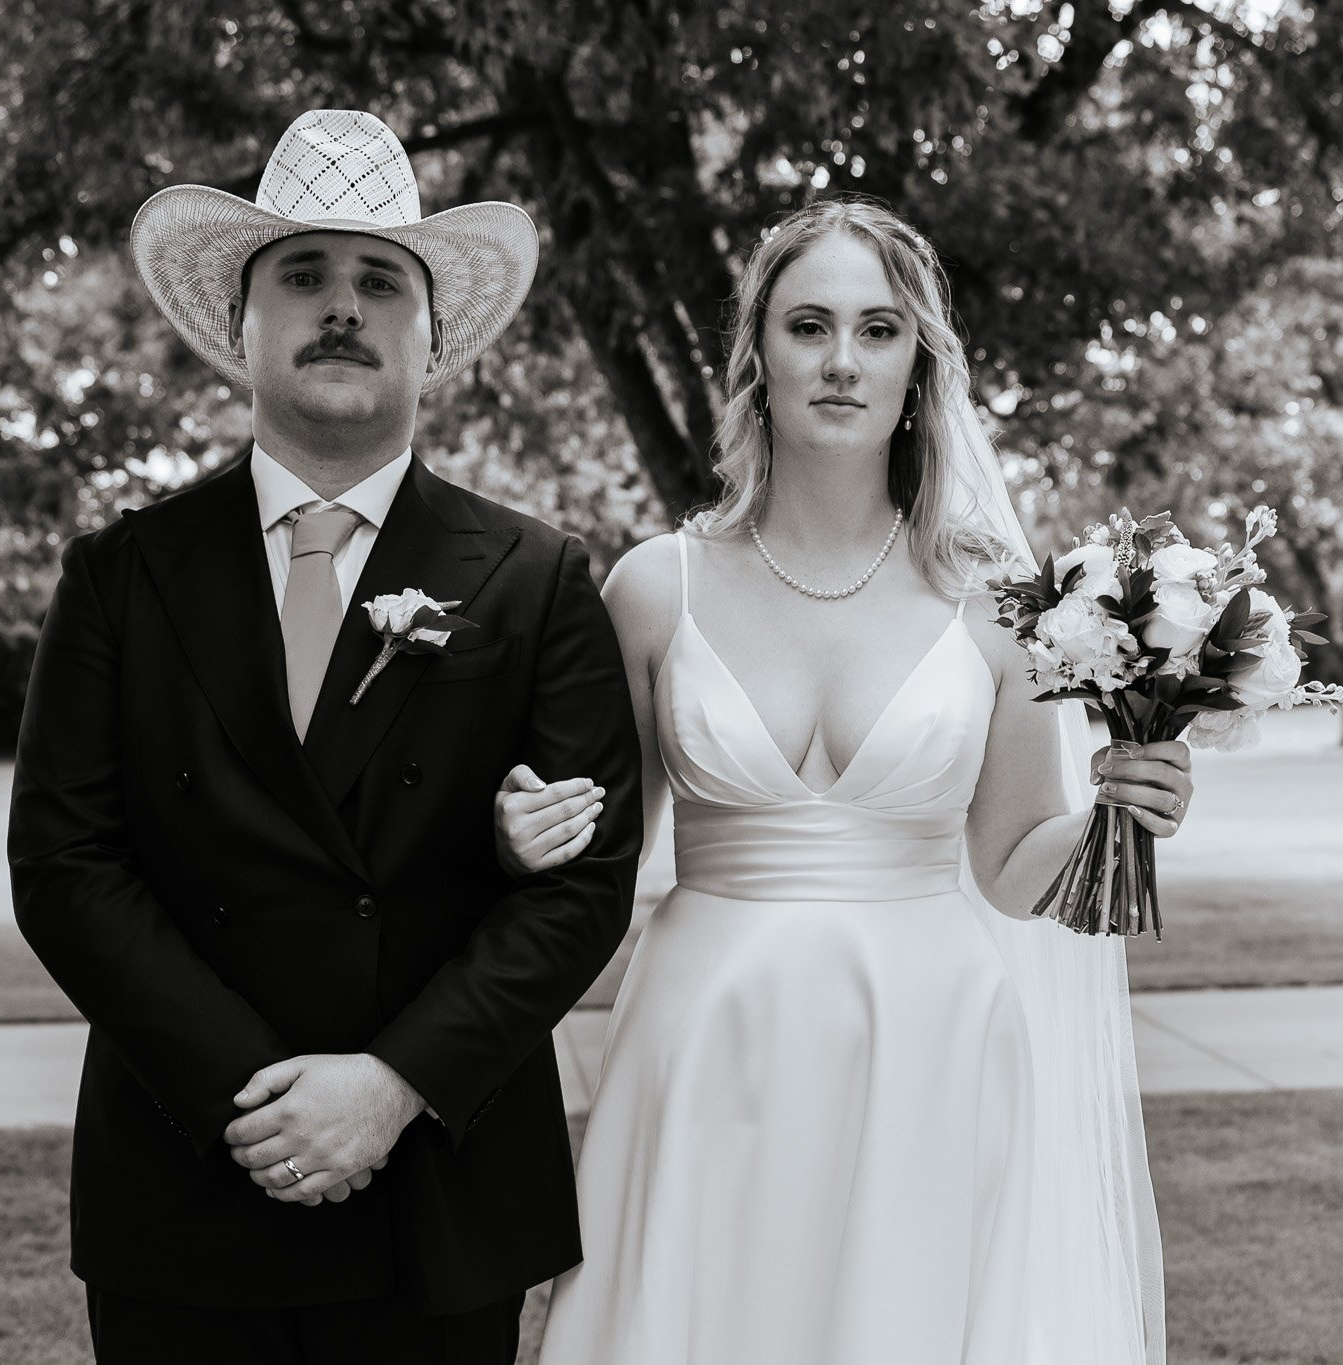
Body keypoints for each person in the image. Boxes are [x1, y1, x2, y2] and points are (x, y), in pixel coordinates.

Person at [503, 198, 1191, 1363]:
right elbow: (598, 866)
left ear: (917, 366)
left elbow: (1012, 863)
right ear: (755, 357)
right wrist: (530, 834)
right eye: (806, 325)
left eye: (876, 331)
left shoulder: (997, 606)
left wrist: (1119, 817)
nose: (838, 361)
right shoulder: (652, 587)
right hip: (704, 1038)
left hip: (931, 1044)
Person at [6, 109, 642, 1364]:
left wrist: (387, 1088)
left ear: (431, 335)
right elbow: (66, 866)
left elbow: (582, 889)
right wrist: (258, 1101)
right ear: (239, 327)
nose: (338, 306)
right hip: (187, 1169)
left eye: (375, 281)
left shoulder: (535, 577)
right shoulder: (120, 575)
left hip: (435, 1179)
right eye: (301, 275)